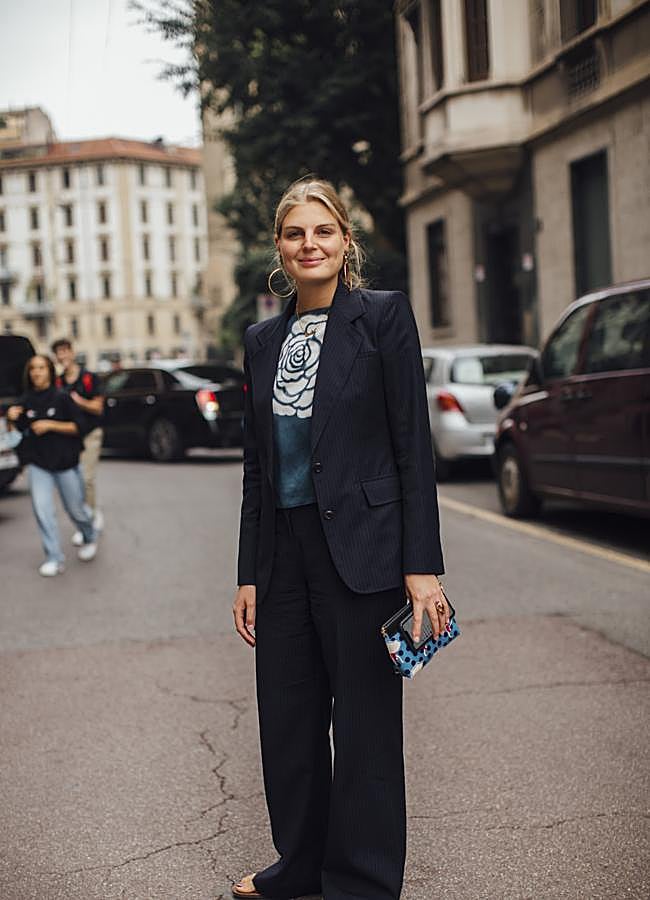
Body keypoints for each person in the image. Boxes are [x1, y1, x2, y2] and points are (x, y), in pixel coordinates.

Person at [232, 178, 449, 900]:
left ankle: (361, 880)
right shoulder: (261, 341)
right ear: (279, 249)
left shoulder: (382, 317)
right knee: (288, 722)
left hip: (365, 550)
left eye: (323, 231)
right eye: (296, 233)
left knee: (363, 729)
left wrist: (422, 565)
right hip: (283, 555)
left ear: (345, 241)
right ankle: (300, 864)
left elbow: (411, 445)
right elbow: (257, 469)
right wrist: (248, 573)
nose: (310, 244)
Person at [6, 355, 98, 576]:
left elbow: (80, 427)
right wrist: (10, 420)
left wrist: (50, 425)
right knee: (42, 511)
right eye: (33, 369)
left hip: (66, 464)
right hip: (40, 465)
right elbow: (16, 436)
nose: (37, 372)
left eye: (41, 368)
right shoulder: (24, 401)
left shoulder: (62, 397)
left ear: (49, 371)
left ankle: (89, 536)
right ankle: (54, 558)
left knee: (76, 510)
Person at [51, 338, 105, 543]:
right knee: (74, 483)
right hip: (70, 437)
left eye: (65, 351)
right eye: (59, 353)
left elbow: (98, 408)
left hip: (90, 433)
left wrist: (78, 401)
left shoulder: (89, 378)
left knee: (86, 478)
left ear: (72, 353)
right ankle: (85, 518)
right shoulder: (58, 382)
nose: (62, 356)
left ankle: (90, 519)